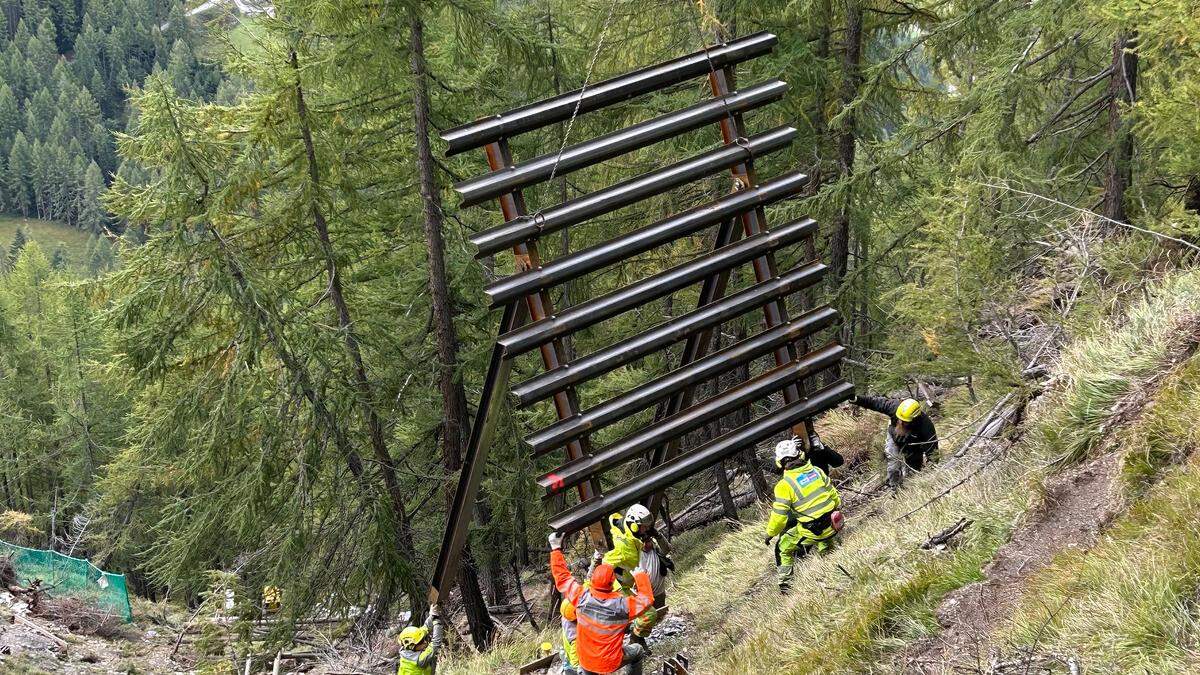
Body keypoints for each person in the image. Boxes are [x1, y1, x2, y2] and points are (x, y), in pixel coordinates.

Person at [549, 531, 653, 675]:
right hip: (610, 663)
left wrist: (555, 549)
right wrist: (641, 576)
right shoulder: (622, 606)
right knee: (638, 651)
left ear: (592, 582)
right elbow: (646, 600)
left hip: (586, 662)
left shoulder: (581, 598)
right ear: (612, 583)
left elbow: (562, 577)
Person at [764, 438, 843, 593]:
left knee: (783, 547)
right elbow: (834, 497)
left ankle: (786, 586)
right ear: (800, 455)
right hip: (834, 524)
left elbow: (779, 517)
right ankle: (829, 557)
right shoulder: (817, 471)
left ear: (779, 463)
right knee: (822, 533)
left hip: (813, 531)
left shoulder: (784, 486)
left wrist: (769, 534)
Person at [850, 395, 939, 488]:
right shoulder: (895, 407)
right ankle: (895, 489)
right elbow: (874, 402)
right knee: (893, 468)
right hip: (894, 437)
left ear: (914, 419)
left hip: (914, 447)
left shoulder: (926, 427)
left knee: (912, 475)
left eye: (904, 421)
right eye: (899, 419)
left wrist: (930, 475)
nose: (900, 422)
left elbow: (933, 453)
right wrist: (856, 399)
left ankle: (908, 492)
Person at [396, 606, 444, 675]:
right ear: (412, 646)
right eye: (421, 642)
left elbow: (424, 629)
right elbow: (435, 643)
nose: (424, 642)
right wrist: (437, 623)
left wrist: (432, 616)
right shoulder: (420, 660)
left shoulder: (404, 649)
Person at [560, 598, 580, 675]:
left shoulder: (565, 617)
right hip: (575, 660)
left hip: (567, 652)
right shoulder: (575, 635)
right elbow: (574, 653)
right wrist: (577, 667)